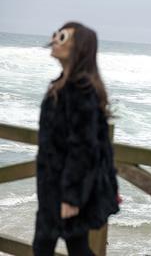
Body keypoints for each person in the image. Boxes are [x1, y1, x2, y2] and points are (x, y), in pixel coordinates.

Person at [33, 22, 120, 256]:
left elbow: (84, 146)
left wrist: (71, 197)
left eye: (62, 36)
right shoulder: (62, 85)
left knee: (48, 246)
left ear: (79, 48)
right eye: (55, 34)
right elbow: (94, 143)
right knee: (72, 246)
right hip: (53, 185)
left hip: (66, 188)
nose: (54, 39)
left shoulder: (80, 89)